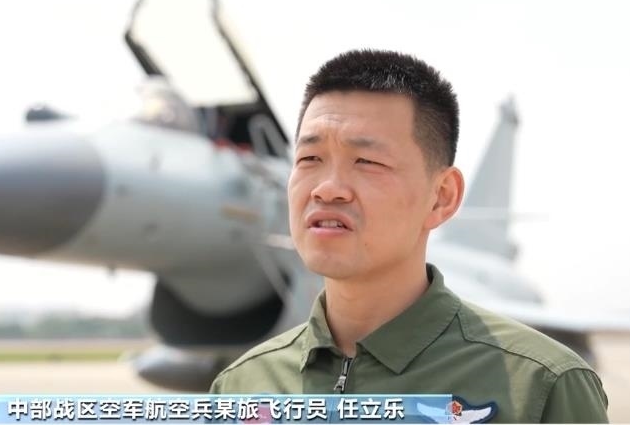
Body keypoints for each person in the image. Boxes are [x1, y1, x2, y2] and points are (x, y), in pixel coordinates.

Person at [209, 49, 609, 423]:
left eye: (367, 161)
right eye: (309, 158)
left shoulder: (540, 385)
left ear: (442, 196)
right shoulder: (239, 388)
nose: (327, 189)